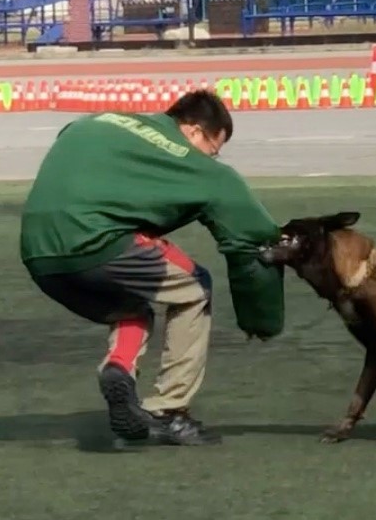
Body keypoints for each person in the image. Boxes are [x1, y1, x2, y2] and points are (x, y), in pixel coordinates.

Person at [18, 89, 285, 447]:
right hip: (97, 242)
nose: (212, 157)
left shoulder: (95, 122)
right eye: (213, 148)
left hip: (39, 255)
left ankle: (120, 370)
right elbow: (253, 235)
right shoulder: (194, 163)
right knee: (195, 288)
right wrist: (262, 319)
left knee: (132, 304)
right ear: (192, 131)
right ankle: (170, 411)